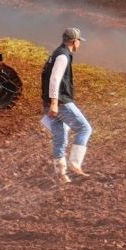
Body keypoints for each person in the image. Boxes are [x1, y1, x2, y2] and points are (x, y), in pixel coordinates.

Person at [41, 26, 92, 182]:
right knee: (84, 128)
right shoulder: (63, 56)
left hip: (50, 101)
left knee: (60, 137)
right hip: (61, 102)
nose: (79, 44)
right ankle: (75, 164)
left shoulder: (56, 53)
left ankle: (61, 174)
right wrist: (55, 103)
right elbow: (55, 79)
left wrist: (49, 102)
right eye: (79, 41)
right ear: (74, 41)